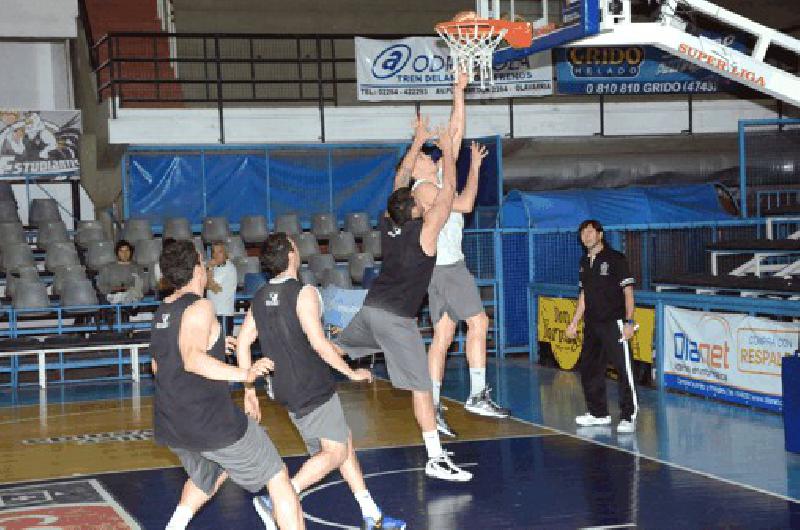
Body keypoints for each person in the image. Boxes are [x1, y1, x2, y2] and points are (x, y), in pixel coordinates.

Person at [236, 233, 407, 530]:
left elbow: (241, 344)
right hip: (312, 386)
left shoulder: (260, 297)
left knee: (343, 443)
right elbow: (317, 343)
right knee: (335, 452)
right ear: (291, 254)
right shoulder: (305, 293)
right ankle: (278, 498)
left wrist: (248, 387)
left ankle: (372, 514)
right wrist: (351, 372)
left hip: (286, 390)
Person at [336, 123, 472, 482]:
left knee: (340, 348)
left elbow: (401, 178)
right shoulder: (425, 233)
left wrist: (417, 141)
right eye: (415, 200)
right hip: (397, 320)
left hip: (370, 309)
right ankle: (435, 458)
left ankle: (294, 365)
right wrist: (446, 150)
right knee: (422, 388)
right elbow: (448, 194)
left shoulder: (388, 220)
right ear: (413, 209)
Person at [151, 239, 304, 530]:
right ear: (197, 269)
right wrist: (244, 375)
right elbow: (193, 359)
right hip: (211, 423)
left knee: (207, 474)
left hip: (172, 425)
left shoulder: (163, 310)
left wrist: (218, 346)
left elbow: (160, 365)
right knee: (278, 477)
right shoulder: (201, 306)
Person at [396, 73, 509, 439]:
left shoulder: (437, 176)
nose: (432, 158)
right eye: (425, 158)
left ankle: (436, 405)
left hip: (437, 270)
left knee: (443, 335)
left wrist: (458, 92)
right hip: (447, 268)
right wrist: (475, 169)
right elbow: (464, 203)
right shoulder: (424, 188)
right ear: (415, 168)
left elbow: (456, 133)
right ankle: (477, 393)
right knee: (479, 323)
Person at [565, 220, 639, 434]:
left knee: (624, 370)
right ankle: (598, 413)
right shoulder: (584, 262)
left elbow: (628, 293)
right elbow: (584, 296)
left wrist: (629, 322)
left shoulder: (616, 259)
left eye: (590, 232)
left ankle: (628, 415)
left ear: (600, 234)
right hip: (592, 324)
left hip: (613, 323)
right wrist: (574, 322)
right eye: (583, 233)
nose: (586, 236)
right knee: (589, 368)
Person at [97, 239, 144, 304]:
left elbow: (141, 285)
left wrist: (128, 288)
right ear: (117, 253)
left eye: (127, 250)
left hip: (132, 298)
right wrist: (114, 289)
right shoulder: (107, 268)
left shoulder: (137, 268)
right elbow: (101, 285)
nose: (124, 254)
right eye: (121, 251)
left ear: (131, 252)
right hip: (112, 298)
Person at [206, 242, 237, 337]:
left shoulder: (228, 268)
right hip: (213, 313)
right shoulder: (215, 268)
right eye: (214, 252)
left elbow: (213, 287)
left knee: (225, 347)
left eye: (219, 252)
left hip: (223, 313)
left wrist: (209, 268)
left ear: (225, 253)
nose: (215, 255)